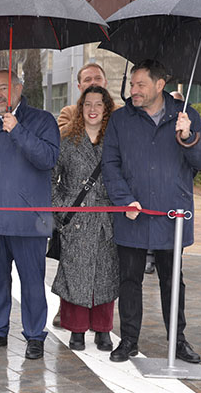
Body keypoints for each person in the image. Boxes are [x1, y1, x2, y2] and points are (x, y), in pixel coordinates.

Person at [102, 59, 201, 364]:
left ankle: (177, 340)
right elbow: (110, 164)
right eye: (133, 84)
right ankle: (128, 340)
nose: (133, 91)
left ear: (160, 85)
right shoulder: (121, 120)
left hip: (171, 217)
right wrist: (125, 199)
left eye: (141, 85)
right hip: (132, 213)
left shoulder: (184, 117)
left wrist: (189, 137)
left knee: (172, 280)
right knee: (129, 279)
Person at [0, 69, 59, 360]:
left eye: (4, 88)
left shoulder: (42, 121)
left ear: (19, 87)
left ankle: (34, 335)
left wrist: (18, 130)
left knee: (31, 282)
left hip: (30, 222)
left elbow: (48, 159)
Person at [51, 86, 119, 352]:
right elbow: (50, 176)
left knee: (106, 274)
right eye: (87, 104)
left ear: (106, 109)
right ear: (80, 108)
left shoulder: (114, 141)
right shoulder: (66, 139)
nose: (92, 109)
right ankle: (76, 330)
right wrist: (59, 207)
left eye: (98, 105)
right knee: (74, 273)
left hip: (105, 219)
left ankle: (103, 329)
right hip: (74, 218)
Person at [57, 63, 108, 134]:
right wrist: (81, 114)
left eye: (98, 78)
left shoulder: (118, 112)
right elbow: (60, 137)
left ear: (105, 83)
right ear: (79, 87)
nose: (93, 82)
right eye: (88, 80)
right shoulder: (68, 112)